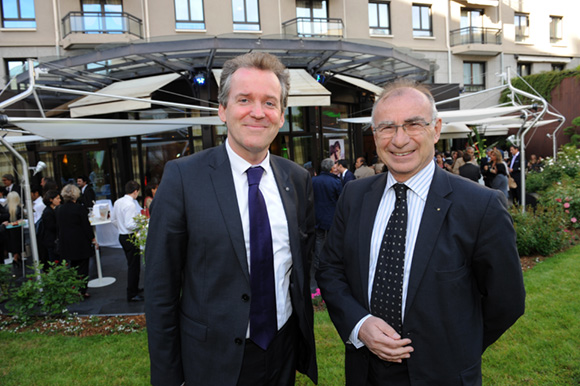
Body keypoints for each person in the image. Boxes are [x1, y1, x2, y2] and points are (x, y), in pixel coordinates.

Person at [316, 80, 525, 385]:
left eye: (413, 124)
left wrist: (453, 351)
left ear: (436, 128)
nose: (399, 140)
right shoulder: (354, 196)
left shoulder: (480, 206)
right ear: (375, 136)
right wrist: (359, 324)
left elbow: (506, 301)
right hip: (366, 372)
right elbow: (331, 270)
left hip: (444, 375)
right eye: (387, 127)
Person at [145, 52, 317, 386]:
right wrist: (168, 376)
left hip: (282, 350)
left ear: (281, 115)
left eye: (269, 102)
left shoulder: (296, 179)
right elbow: (160, 289)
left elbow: (301, 260)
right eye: (244, 100)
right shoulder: (183, 177)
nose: (257, 112)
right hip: (212, 362)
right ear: (223, 110)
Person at [56, 184, 96, 298]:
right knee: (83, 267)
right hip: (80, 241)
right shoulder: (79, 208)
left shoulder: (60, 209)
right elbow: (86, 226)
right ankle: (82, 290)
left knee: (72, 266)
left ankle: (74, 289)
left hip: (67, 241)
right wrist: (92, 238)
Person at [310, 158, 342, 291]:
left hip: (317, 216)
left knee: (319, 241)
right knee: (332, 242)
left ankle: (318, 266)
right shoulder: (335, 182)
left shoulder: (313, 181)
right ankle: (330, 266)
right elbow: (341, 199)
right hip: (331, 217)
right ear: (330, 168)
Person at [111, 180, 143, 302]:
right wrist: (141, 223)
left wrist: (120, 228)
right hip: (130, 237)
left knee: (132, 265)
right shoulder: (130, 204)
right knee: (134, 266)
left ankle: (134, 288)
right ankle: (132, 293)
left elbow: (113, 220)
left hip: (122, 236)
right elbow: (130, 224)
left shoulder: (118, 202)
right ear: (135, 191)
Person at [40, 190, 61, 264]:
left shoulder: (54, 210)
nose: (60, 200)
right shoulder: (48, 212)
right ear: (51, 200)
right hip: (52, 242)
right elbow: (51, 227)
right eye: (57, 198)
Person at [4, 191, 23, 269]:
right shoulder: (19, 208)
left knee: (12, 244)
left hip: (8, 231)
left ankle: (16, 257)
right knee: (18, 244)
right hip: (17, 230)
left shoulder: (5, 208)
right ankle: (17, 257)